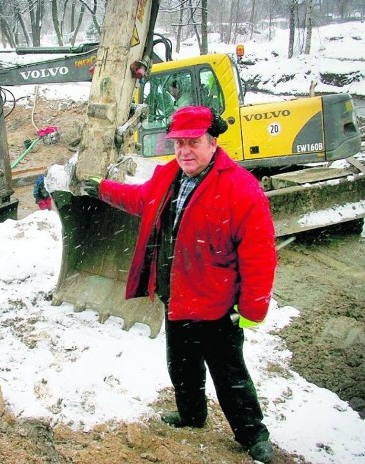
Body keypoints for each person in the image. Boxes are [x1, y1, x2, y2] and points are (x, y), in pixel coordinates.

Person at [83, 106, 277, 463]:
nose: (184, 151)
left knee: (229, 373)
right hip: (177, 297)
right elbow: (140, 199)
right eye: (178, 144)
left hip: (218, 305)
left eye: (193, 143)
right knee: (182, 366)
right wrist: (100, 189)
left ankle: (253, 434)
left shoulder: (239, 189)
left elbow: (260, 256)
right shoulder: (170, 175)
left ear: (213, 142)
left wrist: (252, 310)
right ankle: (191, 415)